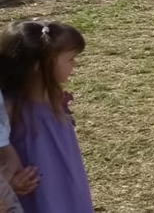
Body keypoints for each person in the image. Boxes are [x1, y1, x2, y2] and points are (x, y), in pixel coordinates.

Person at [0, 21, 93, 213]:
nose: (74, 64)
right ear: (38, 65)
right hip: (36, 197)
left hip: (69, 189)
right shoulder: (10, 109)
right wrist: (8, 185)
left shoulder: (54, 100)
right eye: (71, 58)